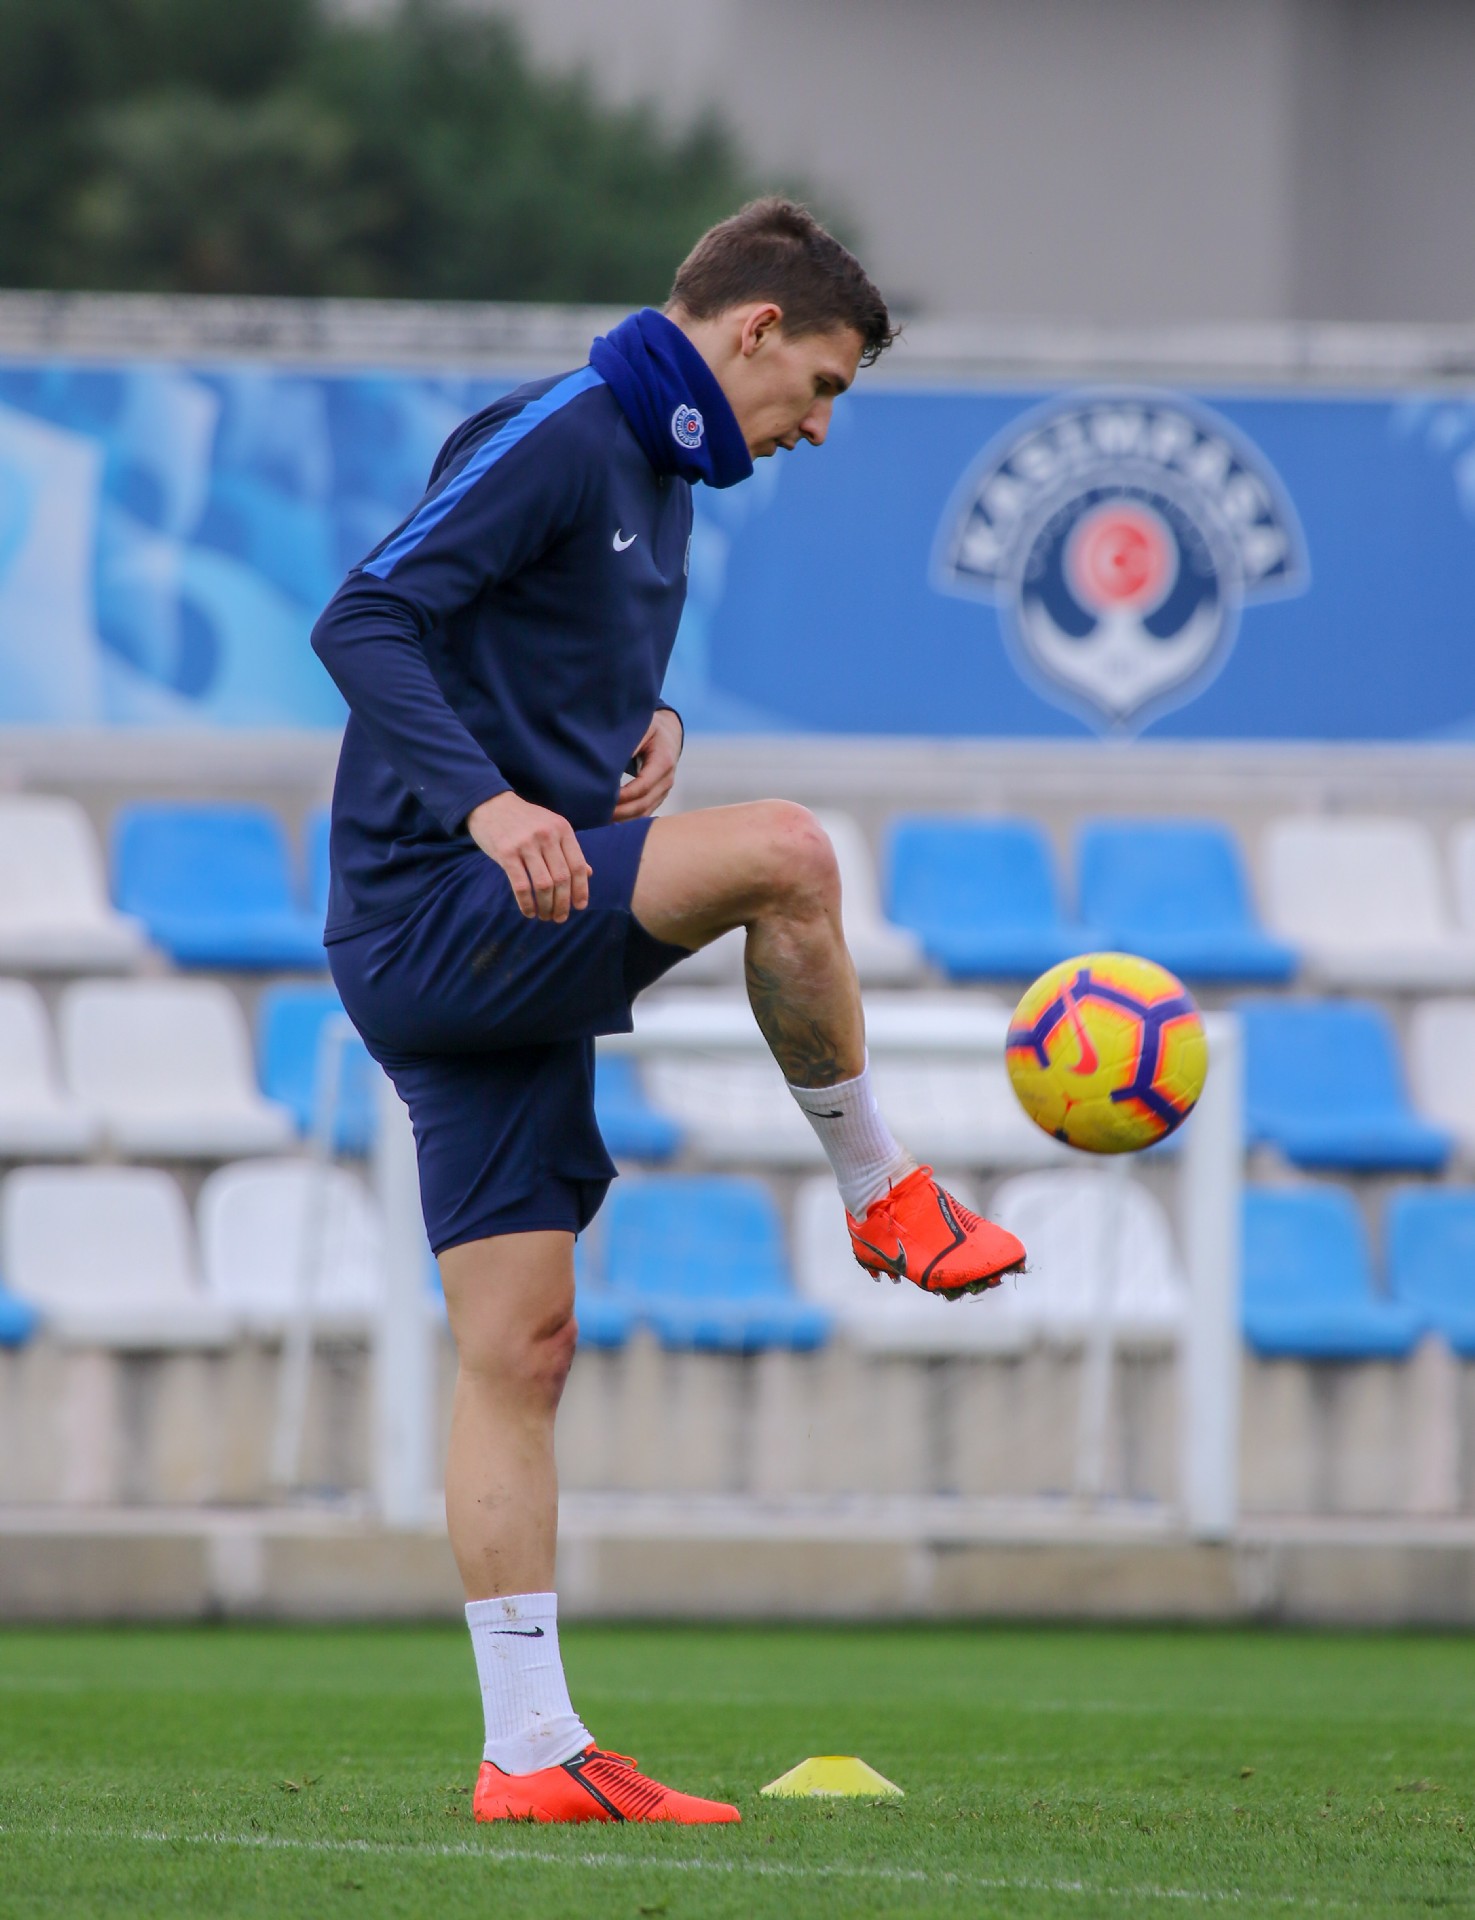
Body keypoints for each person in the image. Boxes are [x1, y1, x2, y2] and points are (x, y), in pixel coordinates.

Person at [310, 198, 1027, 1827]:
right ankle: (882, 1188)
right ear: (755, 331)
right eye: (823, 384)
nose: (821, 426)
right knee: (788, 857)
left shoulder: (666, 465)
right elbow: (364, 616)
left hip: (498, 933)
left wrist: (650, 721)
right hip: (443, 909)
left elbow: (527, 647)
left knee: (521, 1350)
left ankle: (528, 1750)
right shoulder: (572, 432)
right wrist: (495, 805)